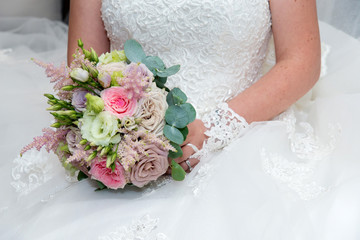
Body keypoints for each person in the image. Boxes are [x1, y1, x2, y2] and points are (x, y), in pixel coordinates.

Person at [1, 0, 360, 239]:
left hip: (247, 131)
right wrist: (123, 133)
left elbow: (301, 61)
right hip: (132, 142)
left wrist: (215, 128)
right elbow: (84, 72)